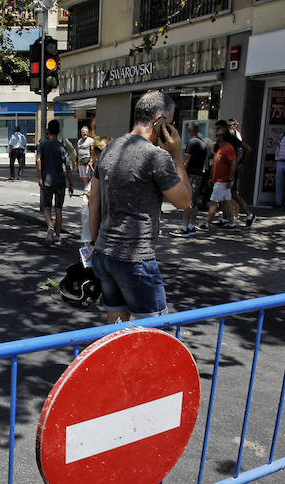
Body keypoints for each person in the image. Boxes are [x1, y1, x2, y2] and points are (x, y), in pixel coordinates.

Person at [86, 91, 192, 323]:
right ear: (160, 122)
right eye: (170, 123)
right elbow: (184, 201)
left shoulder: (110, 149)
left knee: (116, 327)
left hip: (104, 252)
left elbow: (93, 200)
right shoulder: (156, 157)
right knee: (155, 332)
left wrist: (94, 243)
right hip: (135, 257)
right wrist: (176, 156)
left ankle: (118, 360)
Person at [36, 119, 74, 245]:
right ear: (58, 131)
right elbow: (67, 166)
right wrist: (71, 183)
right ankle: (57, 236)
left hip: (46, 182)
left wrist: (40, 177)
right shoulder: (62, 147)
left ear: (48, 130)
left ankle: (50, 226)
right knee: (58, 209)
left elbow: (38, 160)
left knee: (46, 207)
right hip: (60, 182)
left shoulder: (42, 145)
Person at [171, 123, 207, 236]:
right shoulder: (203, 143)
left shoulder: (192, 142)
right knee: (195, 201)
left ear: (190, 131)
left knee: (188, 199)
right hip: (200, 174)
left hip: (191, 174)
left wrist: (181, 173)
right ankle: (191, 225)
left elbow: (186, 160)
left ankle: (184, 226)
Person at [202, 120, 238, 230]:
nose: (216, 137)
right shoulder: (221, 148)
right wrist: (212, 178)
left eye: (217, 135)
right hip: (219, 179)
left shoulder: (228, 148)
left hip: (223, 180)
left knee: (214, 202)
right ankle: (231, 223)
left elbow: (233, 163)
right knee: (226, 202)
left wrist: (231, 177)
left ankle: (206, 223)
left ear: (222, 136)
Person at [81, 136, 109, 243]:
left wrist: (90, 195)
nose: (90, 155)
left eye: (92, 151)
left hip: (99, 222)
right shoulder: (100, 167)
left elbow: (94, 201)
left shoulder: (101, 168)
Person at [227, 118, 255, 225]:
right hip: (230, 168)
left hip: (234, 169)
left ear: (235, 126)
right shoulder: (230, 137)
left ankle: (244, 215)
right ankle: (230, 217)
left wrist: (239, 164)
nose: (228, 127)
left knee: (233, 193)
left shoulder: (235, 137)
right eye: (227, 126)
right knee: (229, 193)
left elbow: (246, 149)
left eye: (230, 125)